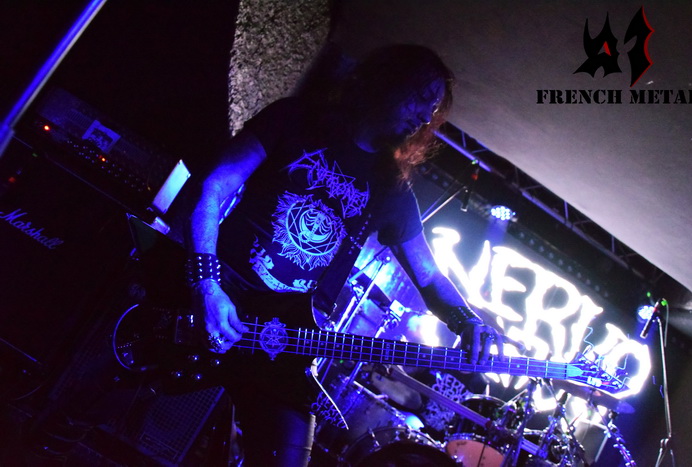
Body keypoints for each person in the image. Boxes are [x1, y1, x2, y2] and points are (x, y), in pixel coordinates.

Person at [183, 43, 507, 466]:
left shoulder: (392, 189)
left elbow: (428, 276)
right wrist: (206, 285)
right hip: (218, 296)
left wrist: (468, 321)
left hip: (283, 337)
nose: (424, 117)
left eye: (432, 110)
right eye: (419, 98)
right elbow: (213, 187)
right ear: (386, 81)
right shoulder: (295, 119)